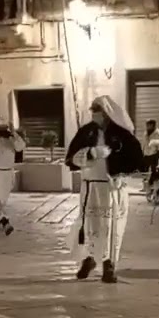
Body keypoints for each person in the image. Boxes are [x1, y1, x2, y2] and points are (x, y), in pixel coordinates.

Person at [64, 95, 143, 284]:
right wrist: (90, 153)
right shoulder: (86, 132)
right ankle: (90, 259)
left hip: (111, 188)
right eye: (93, 110)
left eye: (98, 110)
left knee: (110, 227)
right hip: (90, 187)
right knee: (90, 226)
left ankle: (109, 264)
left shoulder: (122, 134)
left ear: (107, 112)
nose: (95, 114)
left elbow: (136, 159)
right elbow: (71, 158)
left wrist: (121, 172)